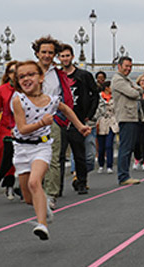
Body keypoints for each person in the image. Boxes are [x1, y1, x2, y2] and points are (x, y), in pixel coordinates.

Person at [11, 60, 90, 240]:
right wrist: (42, 122)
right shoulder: (18, 100)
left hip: (42, 146)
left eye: (31, 74)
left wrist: (80, 126)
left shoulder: (51, 100)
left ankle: (42, 225)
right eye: (22, 76)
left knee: (34, 182)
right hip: (22, 147)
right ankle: (44, 207)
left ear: (40, 78)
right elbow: (22, 128)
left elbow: (66, 109)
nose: (26, 79)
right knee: (28, 197)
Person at [31, 36, 74, 208]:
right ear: (37, 53)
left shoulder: (57, 75)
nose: (47, 56)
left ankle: (51, 194)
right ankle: (35, 189)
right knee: (33, 158)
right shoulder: (28, 71)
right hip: (31, 120)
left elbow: (63, 98)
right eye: (44, 52)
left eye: (50, 52)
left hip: (52, 120)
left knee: (53, 157)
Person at [58, 44, 99, 195]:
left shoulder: (84, 76)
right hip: (60, 120)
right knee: (59, 156)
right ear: (59, 58)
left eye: (67, 55)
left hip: (79, 119)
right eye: (62, 56)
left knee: (81, 154)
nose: (65, 59)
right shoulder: (56, 76)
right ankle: (58, 187)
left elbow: (95, 95)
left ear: (72, 57)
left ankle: (81, 182)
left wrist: (89, 114)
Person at [112, 56, 143, 185]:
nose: (128, 69)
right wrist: (136, 90)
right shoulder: (118, 80)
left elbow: (139, 89)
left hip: (132, 116)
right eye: (126, 66)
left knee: (129, 147)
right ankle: (123, 176)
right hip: (126, 116)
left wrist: (137, 89)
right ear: (119, 66)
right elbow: (134, 93)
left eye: (130, 66)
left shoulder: (127, 79)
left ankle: (125, 174)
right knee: (125, 147)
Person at [0, 61, 18, 200]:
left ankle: (19, 186)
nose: (13, 75)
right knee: (3, 154)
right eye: (11, 72)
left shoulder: (24, 88)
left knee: (19, 156)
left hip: (22, 127)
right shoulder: (2, 89)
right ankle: (7, 183)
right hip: (6, 127)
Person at [97, 81, 118, 174]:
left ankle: (110, 165)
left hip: (111, 122)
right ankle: (101, 164)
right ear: (106, 87)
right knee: (101, 147)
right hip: (101, 122)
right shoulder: (99, 97)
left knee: (109, 145)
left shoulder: (115, 97)